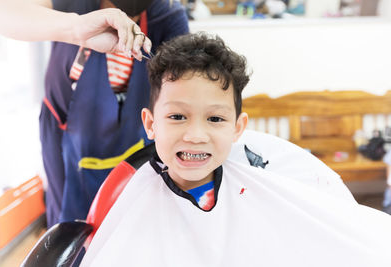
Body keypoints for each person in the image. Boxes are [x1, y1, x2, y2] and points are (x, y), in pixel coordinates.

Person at [80, 32, 391, 267]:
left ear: (237, 129)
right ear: (150, 124)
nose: (195, 135)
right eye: (177, 117)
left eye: (215, 118)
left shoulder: (263, 187)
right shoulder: (137, 201)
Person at [0, 0, 189, 227]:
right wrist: (76, 28)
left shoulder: (167, 16)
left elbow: (183, 94)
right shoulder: (74, 4)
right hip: (65, 140)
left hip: (134, 143)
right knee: (69, 231)